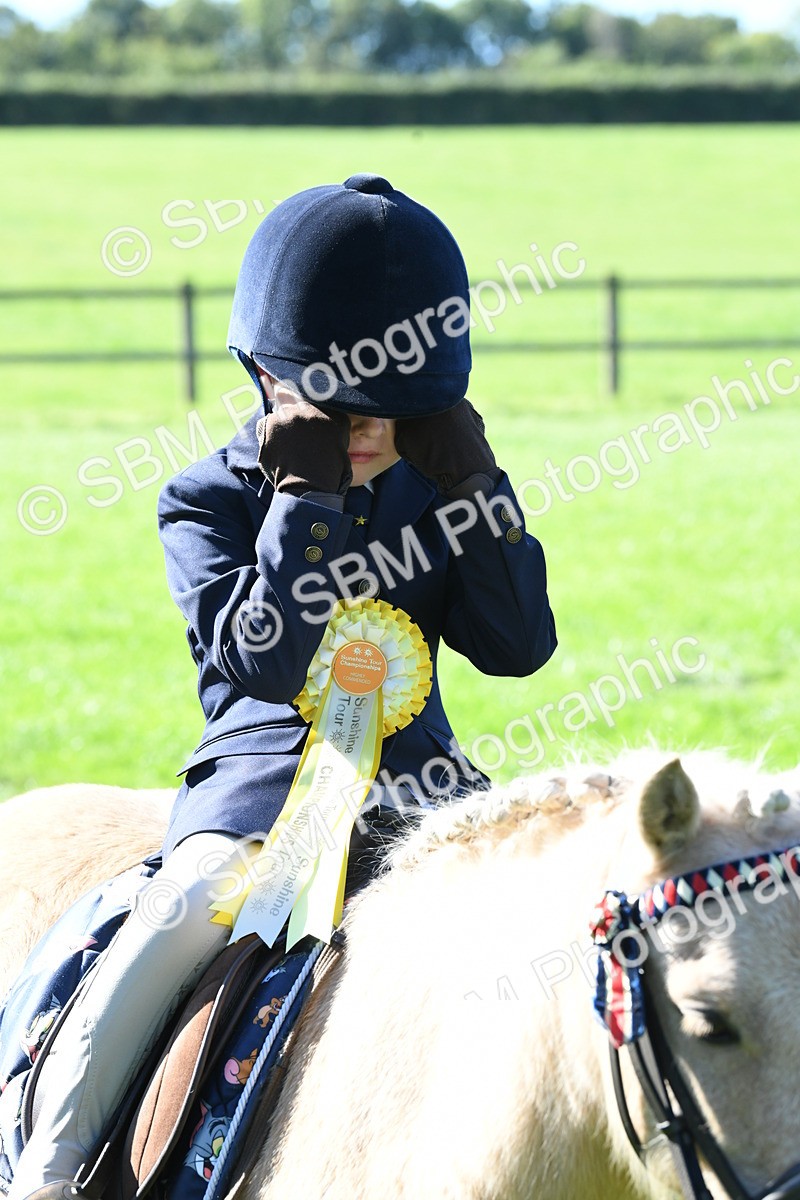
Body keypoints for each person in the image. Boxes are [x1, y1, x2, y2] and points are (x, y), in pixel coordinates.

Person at [10, 173, 556, 1200]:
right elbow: (253, 660)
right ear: (267, 377)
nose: (361, 424)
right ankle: (53, 1163)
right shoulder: (207, 500)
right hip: (258, 795)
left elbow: (518, 645)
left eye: (389, 403)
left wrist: (478, 492)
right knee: (174, 919)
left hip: (423, 792)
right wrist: (303, 501)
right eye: (332, 398)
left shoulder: (434, 487)